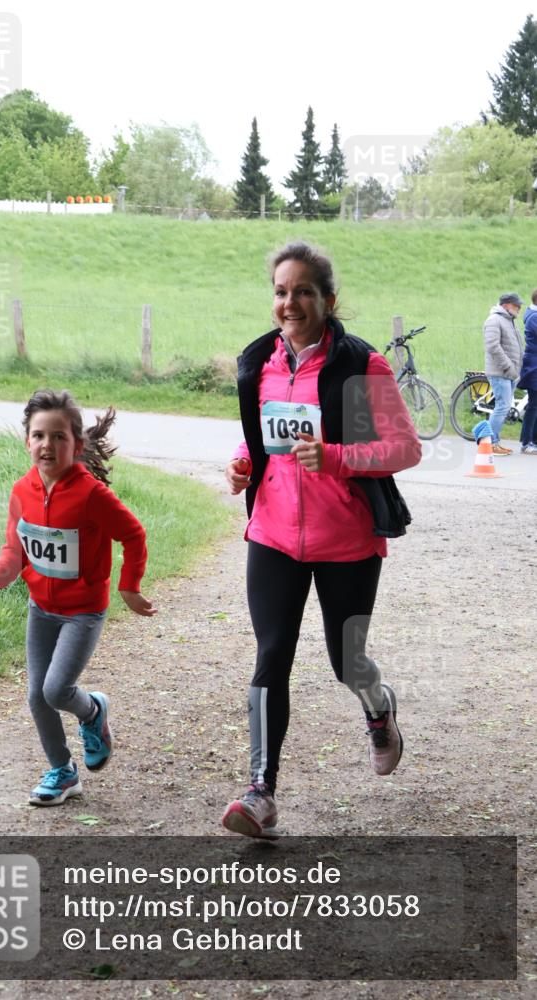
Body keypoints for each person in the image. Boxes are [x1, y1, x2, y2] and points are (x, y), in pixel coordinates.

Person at [221, 241, 422, 839]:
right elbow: (262, 440)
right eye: (281, 291)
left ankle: (378, 709)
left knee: (348, 661)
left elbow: (401, 449)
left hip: (348, 542)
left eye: (303, 291)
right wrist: (241, 464)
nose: (290, 302)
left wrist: (334, 457)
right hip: (274, 535)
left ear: (328, 300)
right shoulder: (261, 363)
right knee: (271, 656)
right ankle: (260, 791)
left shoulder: (358, 367)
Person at [0, 389, 156, 806]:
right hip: (41, 608)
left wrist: (129, 585)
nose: (48, 445)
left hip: (83, 613)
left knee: (57, 690)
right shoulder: (22, 491)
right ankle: (63, 771)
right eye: (39, 435)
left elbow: (133, 534)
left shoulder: (91, 494)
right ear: (27, 441)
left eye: (59, 437)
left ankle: (93, 711)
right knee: (37, 695)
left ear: (76, 444)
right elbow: (15, 550)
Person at [483, 292, 525, 456]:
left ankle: (495, 442)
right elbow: (493, 347)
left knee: (503, 406)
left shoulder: (509, 320)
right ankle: (490, 444)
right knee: (502, 407)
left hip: (510, 372)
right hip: (501, 372)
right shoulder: (494, 320)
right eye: (517, 306)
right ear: (506, 305)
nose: (519, 309)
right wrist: (509, 367)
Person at [518, 289, 537, 455]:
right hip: (533, 366)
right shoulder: (533, 317)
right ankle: (526, 442)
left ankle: (534, 441)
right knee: (534, 405)